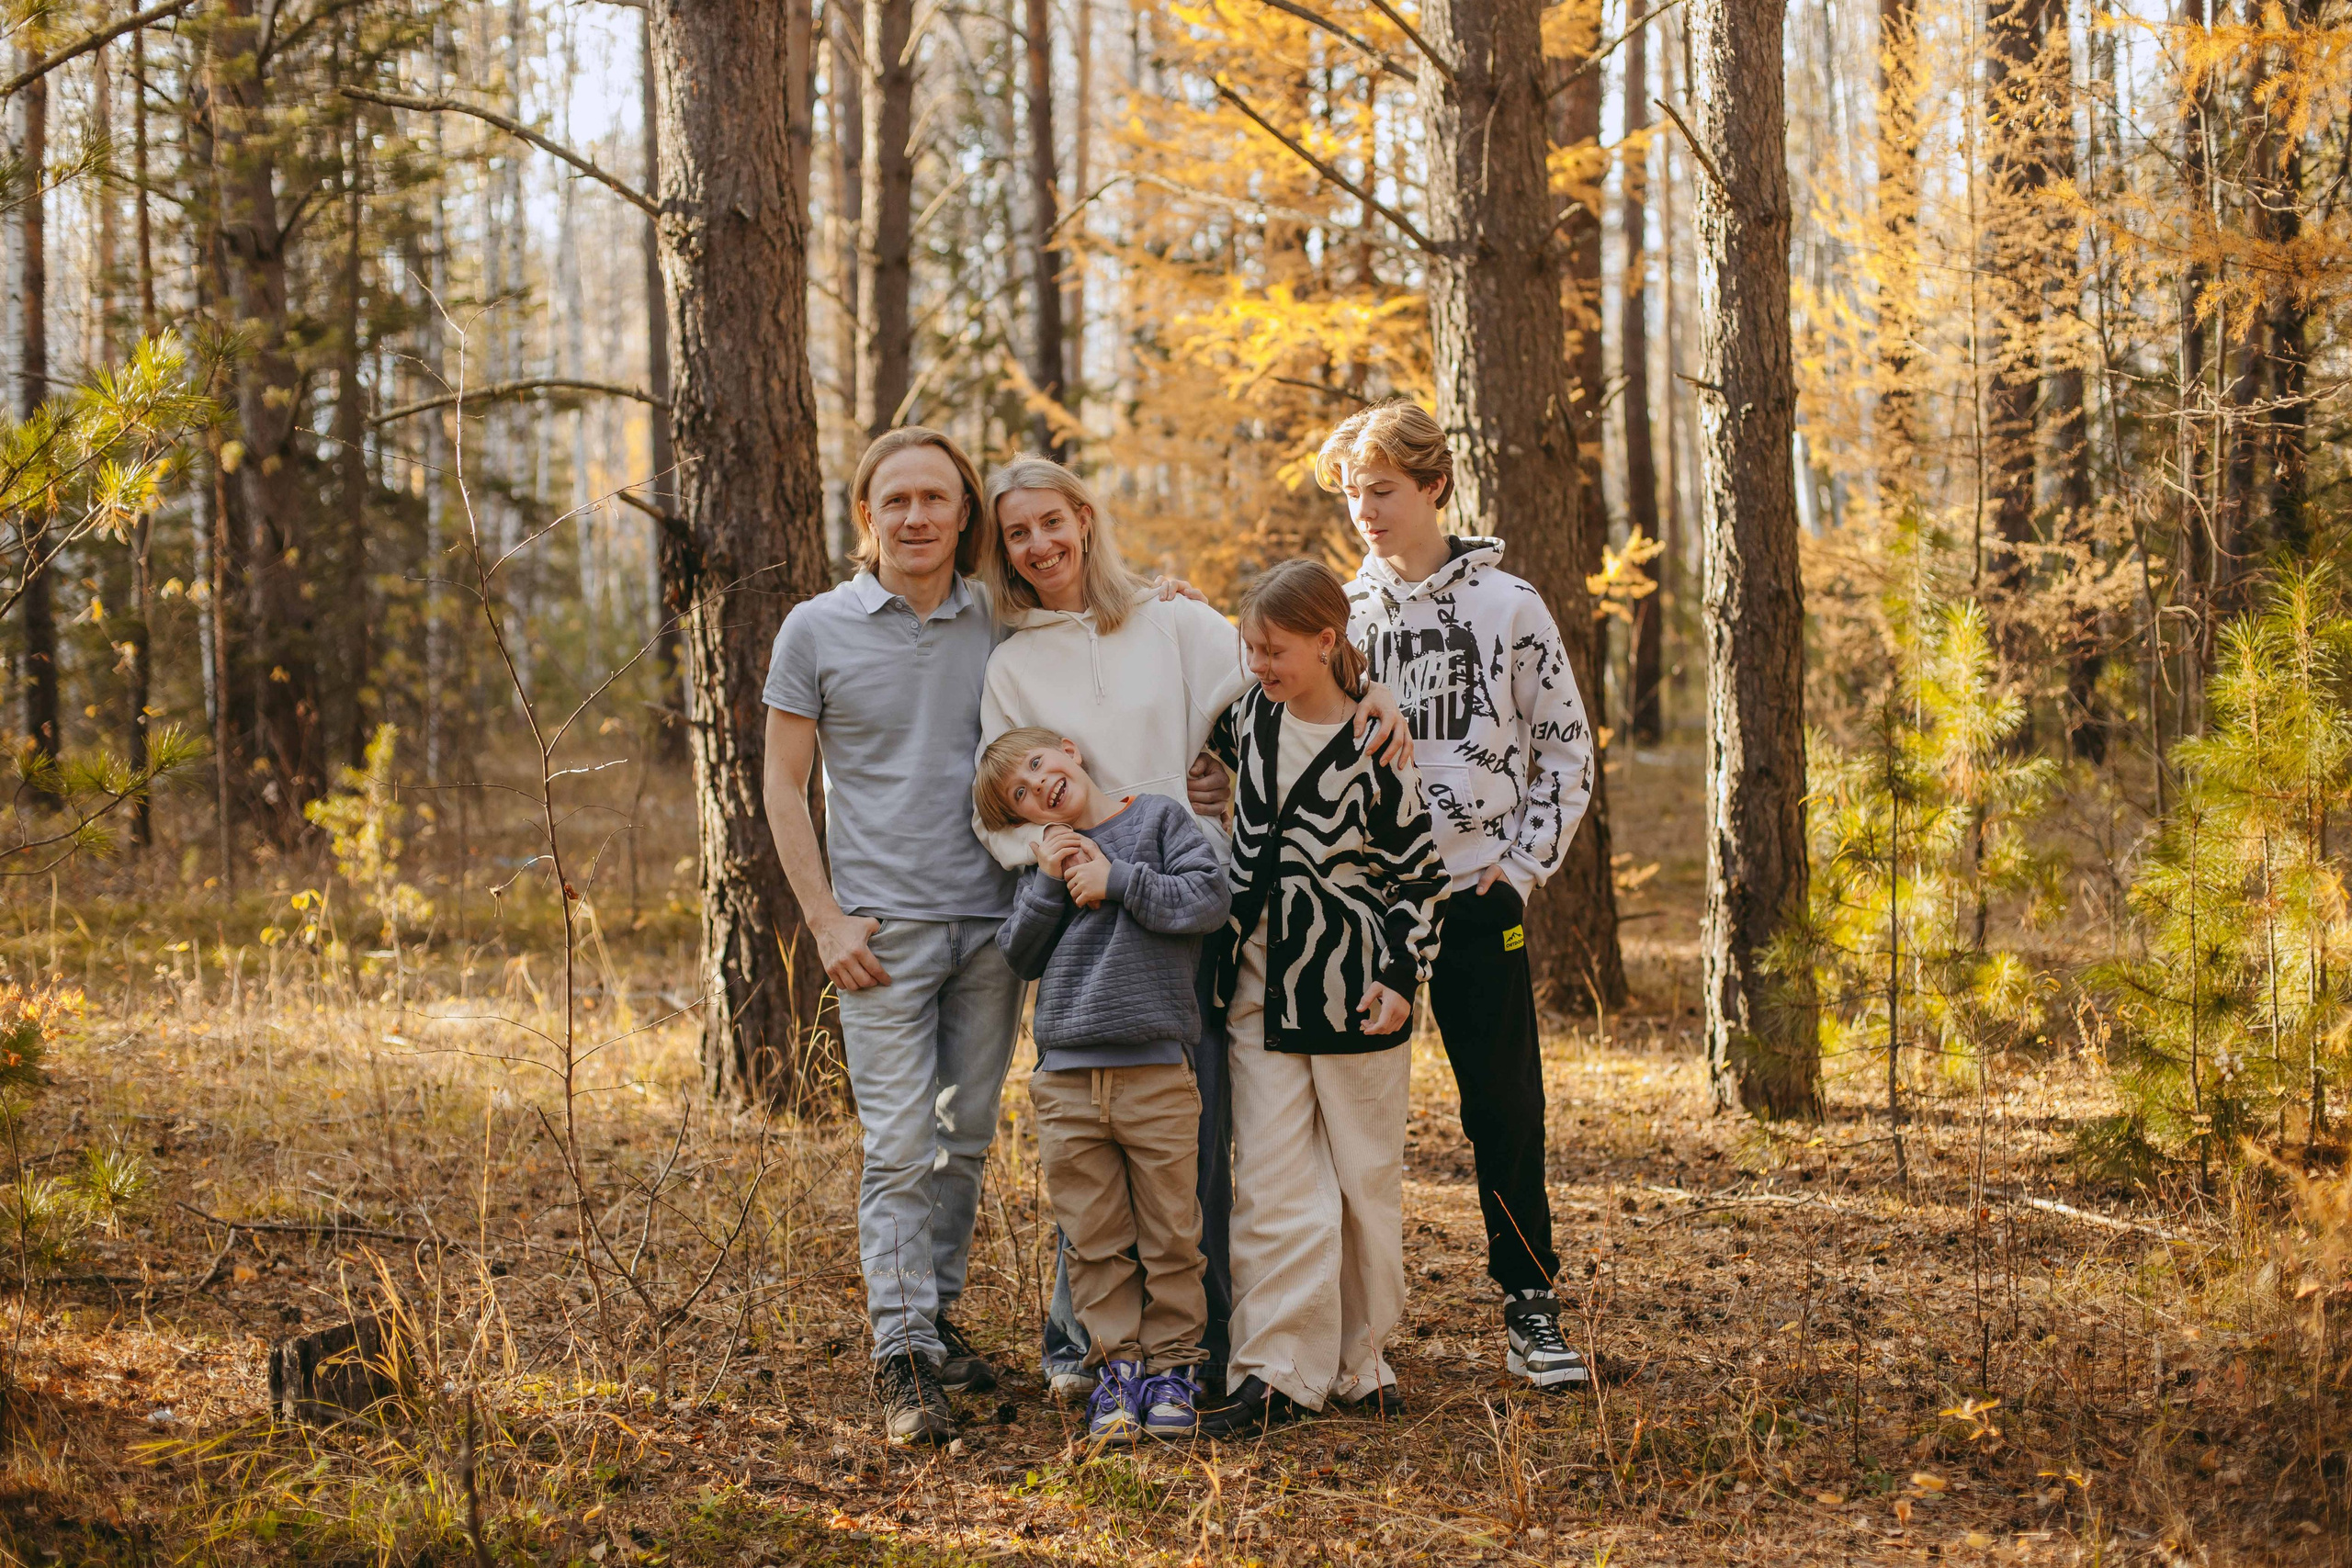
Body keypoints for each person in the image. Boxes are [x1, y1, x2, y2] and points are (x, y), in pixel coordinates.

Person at [968, 457, 1410, 1401]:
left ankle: (1194, 1343)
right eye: (1017, 533)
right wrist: (1055, 857)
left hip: (1188, 900)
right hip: (1088, 917)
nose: (1039, 544)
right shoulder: (1010, 664)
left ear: (1085, 518)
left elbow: (1282, 670)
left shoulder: (1168, 620)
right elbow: (999, 803)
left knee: (1187, 1133)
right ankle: (1086, 1341)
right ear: (1002, 549)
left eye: (1052, 522)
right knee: (1091, 1130)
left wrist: (1371, 694)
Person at [1319, 399, 1597, 1391]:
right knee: (1354, 1117)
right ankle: (1348, 1328)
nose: (1365, 512)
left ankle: (1529, 1306)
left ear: (1435, 485)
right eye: (1353, 495)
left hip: (1476, 898)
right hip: (1367, 905)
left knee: (1504, 1107)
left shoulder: (1509, 606)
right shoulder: (1338, 618)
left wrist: (1516, 874)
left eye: (1383, 490)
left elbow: (1566, 750)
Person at [761, 427, 1023, 1446]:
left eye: (935, 498)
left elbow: (1102, 629)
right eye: (896, 500)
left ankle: (936, 1318)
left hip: (992, 926)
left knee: (965, 1137)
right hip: (880, 935)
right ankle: (902, 1352)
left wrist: (1168, 597)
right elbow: (783, 783)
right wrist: (824, 919)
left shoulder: (1000, 618)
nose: (916, 517)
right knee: (901, 1145)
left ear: (964, 514)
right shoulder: (815, 628)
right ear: (867, 514)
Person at [1193, 558, 1449, 1436]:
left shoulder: (1378, 745)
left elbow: (1419, 877)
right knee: (1272, 1180)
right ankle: (1275, 1371)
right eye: (1251, 648)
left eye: (1275, 650)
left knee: (1362, 1182)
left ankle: (1361, 1359)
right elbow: (1184, 695)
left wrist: (1403, 977)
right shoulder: (1246, 720)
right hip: (1257, 986)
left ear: (1327, 640)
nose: (1259, 663)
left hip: (1354, 988)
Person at [980, 728, 1232, 1442]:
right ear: (1024, 817)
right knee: (1094, 1239)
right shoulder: (1045, 865)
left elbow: (1209, 899)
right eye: (1021, 793)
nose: (1039, 784)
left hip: (1156, 1070)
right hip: (1067, 1080)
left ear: (1070, 750)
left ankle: (1174, 1367)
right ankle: (1118, 1369)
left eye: (1038, 764)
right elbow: (1020, 955)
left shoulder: (1157, 819)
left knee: (1172, 1232)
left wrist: (1116, 879)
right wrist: (1048, 884)